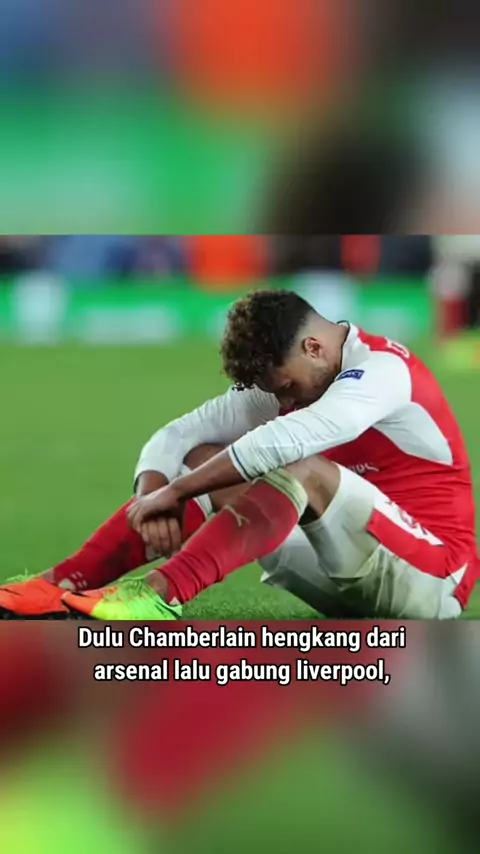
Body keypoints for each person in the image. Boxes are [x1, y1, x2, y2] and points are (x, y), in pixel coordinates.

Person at [0, 290, 477, 621]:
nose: (284, 400)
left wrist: (178, 491)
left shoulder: (383, 370)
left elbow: (295, 437)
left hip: (432, 578)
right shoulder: (297, 374)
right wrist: (154, 497)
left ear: (313, 347)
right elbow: (178, 435)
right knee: (206, 457)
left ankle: (158, 595)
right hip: (347, 570)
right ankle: (61, 583)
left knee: (296, 466)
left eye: (286, 387)